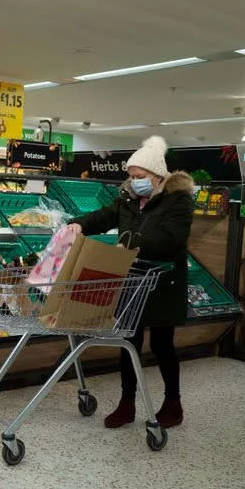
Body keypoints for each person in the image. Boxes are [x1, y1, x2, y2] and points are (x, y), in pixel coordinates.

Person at [68, 136, 194, 429]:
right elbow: (105, 216)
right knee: (128, 342)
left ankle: (173, 403)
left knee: (163, 344)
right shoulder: (128, 198)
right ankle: (127, 404)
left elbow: (171, 239)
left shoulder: (179, 200)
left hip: (164, 282)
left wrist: (131, 244)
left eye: (139, 177)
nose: (133, 181)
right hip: (132, 280)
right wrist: (79, 224)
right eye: (131, 175)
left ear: (157, 177)